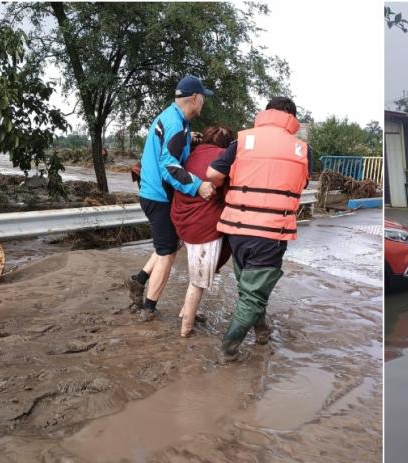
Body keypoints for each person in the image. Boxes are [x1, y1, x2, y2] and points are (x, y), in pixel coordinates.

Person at [207, 96, 309, 362]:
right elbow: (302, 184)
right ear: (292, 118)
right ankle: (228, 349)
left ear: (266, 113)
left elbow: (212, 175)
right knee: (252, 295)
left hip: (237, 229)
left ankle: (262, 331)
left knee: (248, 288)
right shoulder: (301, 149)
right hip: (271, 232)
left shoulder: (241, 141)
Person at [125, 75, 215, 321]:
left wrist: (190, 138)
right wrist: (197, 186)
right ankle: (149, 308)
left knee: (169, 243)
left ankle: (139, 280)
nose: (203, 103)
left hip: (151, 192)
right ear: (195, 98)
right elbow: (169, 166)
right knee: (167, 252)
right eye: (203, 98)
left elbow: (172, 145)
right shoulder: (176, 125)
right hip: (159, 196)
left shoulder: (173, 118)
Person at [170, 126, 235, 337]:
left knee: (196, 272)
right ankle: (185, 329)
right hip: (203, 226)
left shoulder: (191, 154)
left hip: (182, 221)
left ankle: (186, 312)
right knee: (198, 281)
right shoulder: (222, 159)